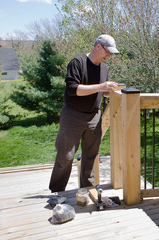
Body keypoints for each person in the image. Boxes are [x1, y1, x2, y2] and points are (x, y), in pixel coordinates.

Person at [49, 34, 119, 192]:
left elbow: (100, 92)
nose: (108, 56)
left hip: (94, 117)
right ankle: (57, 191)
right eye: (107, 52)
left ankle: (88, 190)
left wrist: (110, 91)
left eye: (110, 54)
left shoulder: (104, 68)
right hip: (73, 115)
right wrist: (101, 86)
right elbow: (72, 89)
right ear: (98, 46)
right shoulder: (77, 63)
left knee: (91, 156)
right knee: (65, 157)